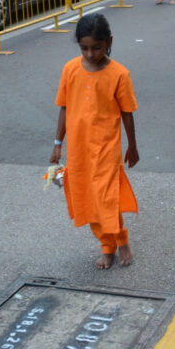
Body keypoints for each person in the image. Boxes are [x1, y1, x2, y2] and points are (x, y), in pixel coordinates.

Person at [50, 14, 139, 270]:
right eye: (84, 48)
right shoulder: (70, 69)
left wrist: (132, 147)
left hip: (106, 149)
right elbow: (64, 108)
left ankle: (121, 240)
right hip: (78, 150)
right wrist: (58, 143)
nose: (90, 54)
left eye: (97, 48)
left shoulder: (119, 74)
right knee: (88, 199)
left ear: (109, 41)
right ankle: (106, 246)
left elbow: (127, 113)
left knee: (106, 198)